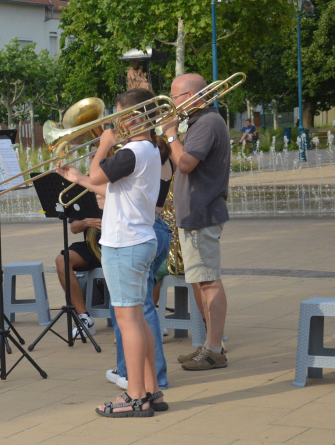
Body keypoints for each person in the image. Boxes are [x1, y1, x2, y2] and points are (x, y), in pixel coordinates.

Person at [57, 88, 164, 417]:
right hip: (137, 239)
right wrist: (79, 179)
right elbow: (111, 187)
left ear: (132, 117)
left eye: (116, 118)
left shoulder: (132, 150)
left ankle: (134, 396)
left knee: (127, 319)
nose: (113, 125)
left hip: (126, 243)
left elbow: (99, 172)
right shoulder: (147, 150)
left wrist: (102, 146)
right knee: (138, 318)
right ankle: (151, 391)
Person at [163, 73, 230, 371]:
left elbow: (186, 163)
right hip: (194, 214)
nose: (171, 103)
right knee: (201, 281)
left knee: (209, 281)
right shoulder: (201, 121)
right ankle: (209, 345)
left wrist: (170, 135)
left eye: (174, 97)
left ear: (192, 96)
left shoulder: (207, 122)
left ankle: (214, 349)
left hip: (201, 213)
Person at [106, 135, 173, 392]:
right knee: (139, 310)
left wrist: (102, 150)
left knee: (135, 313)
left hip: (136, 235)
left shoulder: (142, 152)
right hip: (152, 230)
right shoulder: (155, 153)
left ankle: (139, 384)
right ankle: (149, 381)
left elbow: (104, 177)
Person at [54, 190, 104, 339]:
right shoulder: (85, 192)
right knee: (61, 260)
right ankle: (84, 318)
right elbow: (74, 228)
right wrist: (87, 222)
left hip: (119, 245)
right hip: (92, 245)